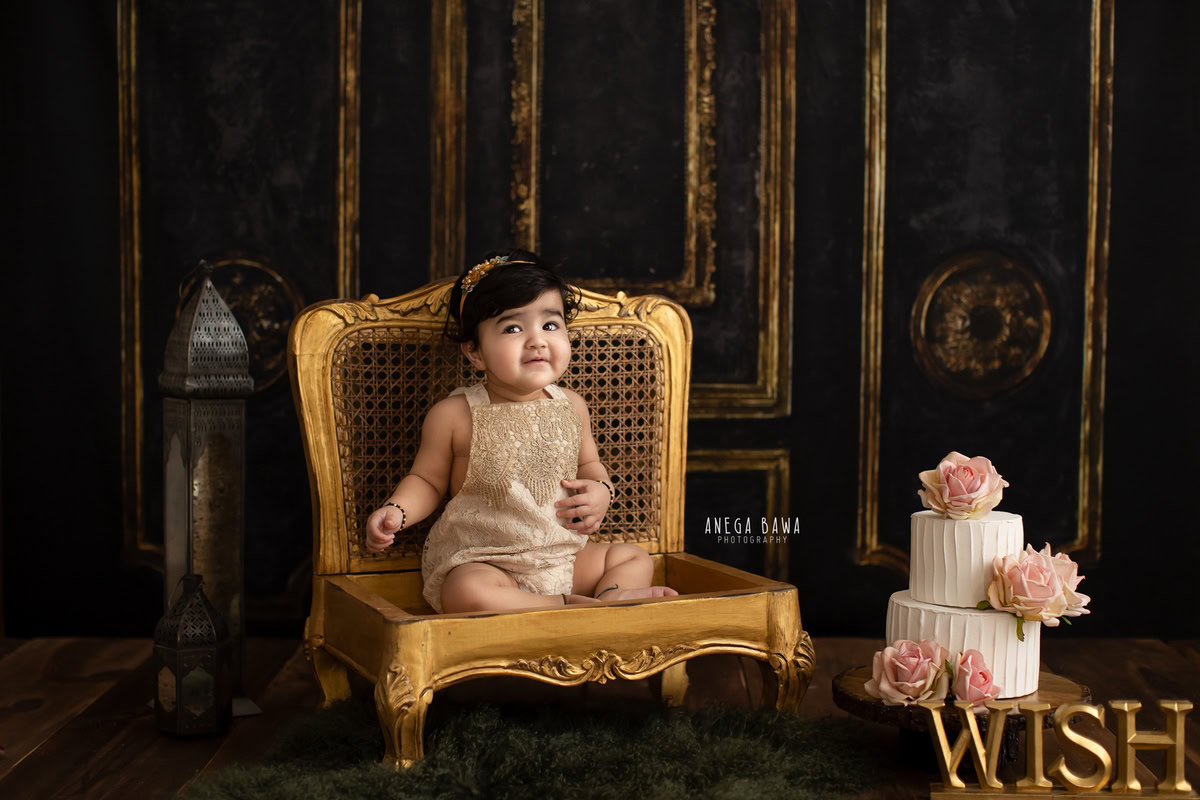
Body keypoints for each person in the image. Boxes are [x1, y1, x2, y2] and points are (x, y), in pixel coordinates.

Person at [363, 249, 679, 613]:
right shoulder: (454, 415)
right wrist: (396, 511)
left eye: (550, 325)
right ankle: (568, 606)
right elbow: (427, 480)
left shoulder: (571, 406)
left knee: (633, 557)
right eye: (513, 328)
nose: (537, 340)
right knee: (464, 590)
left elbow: (590, 467)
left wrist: (602, 492)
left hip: (562, 555)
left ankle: (607, 599)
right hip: (490, 560)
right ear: (475, 352)